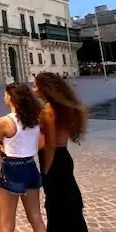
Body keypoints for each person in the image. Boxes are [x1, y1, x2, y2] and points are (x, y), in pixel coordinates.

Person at [34, 72, 88, 232]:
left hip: (53, 159)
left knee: (55, 203)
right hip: (63, 157)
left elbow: (50, 144)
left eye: (36, 85)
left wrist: (46, 169)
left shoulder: (48, 111)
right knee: (68, 199)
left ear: (44, 89)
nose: (33, 88)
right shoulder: (60, 108)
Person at [0, 83, 45, 232]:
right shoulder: (36, 118)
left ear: (11, 97)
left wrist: (1, 145)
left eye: (5, 95)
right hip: (30, 165)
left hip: (12, 168)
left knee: (7, 223)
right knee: (35, 217)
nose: (4, 97)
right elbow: (39, 142)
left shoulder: (4, 121)